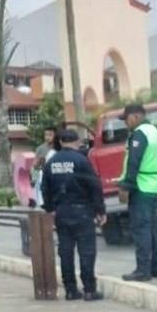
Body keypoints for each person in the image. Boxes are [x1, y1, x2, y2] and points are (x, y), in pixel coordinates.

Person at [42, 129, 106, 301]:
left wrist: (50, 210)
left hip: (61, 212)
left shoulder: (51, 162)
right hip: (82, 211)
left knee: (66, 252)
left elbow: (45, 189)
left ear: (61, 142)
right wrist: (100, 210)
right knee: (87, 252)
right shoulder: (82, 160)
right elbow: (94, 186)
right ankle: (89, 289)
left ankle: (70, 289)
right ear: (77, 142)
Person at [116, 104, 157, 282]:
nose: (125, 123)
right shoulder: (155, 131)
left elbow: (134, 162)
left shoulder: (140, 134)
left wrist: (126, 186)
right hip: (154, 186)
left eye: (127, 119)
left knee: (141, 229)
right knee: (153, 228)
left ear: (136, 116)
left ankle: (143, 270)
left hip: (142, 187)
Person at [31, 126, 57, 208]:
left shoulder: (58, 147)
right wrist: (39, 162)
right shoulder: (40, 148)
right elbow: (35, 166)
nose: (47, 137)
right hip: (44, 177)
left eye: (50, 135)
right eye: (46, 135)